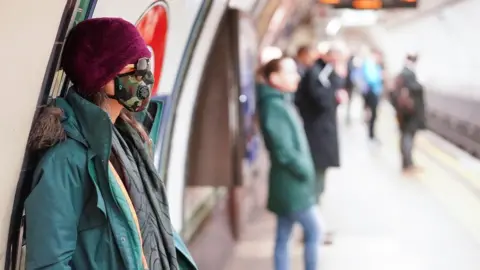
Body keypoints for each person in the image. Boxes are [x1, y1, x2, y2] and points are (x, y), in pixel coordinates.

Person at [24, 18, 196, 270]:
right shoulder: (66, 160)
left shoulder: (129, 141)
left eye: (146, 63)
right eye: (137, 66)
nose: (145, 75)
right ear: (102, 75)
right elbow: (48, 263)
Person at [257, 57, 320, 270]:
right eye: (291, 72)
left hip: (288, 181)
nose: (297, 76)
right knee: (314, 230)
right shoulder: (274, 106)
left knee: (283, 235)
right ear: (275, 78)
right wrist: (304, 170)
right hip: (292, 182)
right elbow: (283, 150)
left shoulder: (281, 101)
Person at [295, 42, 345, 245]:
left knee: (318, 186)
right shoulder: (317, 74)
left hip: (320, 138)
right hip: (318, 139)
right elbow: (323, 100)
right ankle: (312, 230)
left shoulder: (320, 73)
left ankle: (314, 228)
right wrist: (335, 95)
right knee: (315, 187)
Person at [391, 53, 426, 174]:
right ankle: (407, 165)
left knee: (404, 136)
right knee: (408, 136)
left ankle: (406, 163)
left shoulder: (401, 74)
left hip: (402, 112)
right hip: (409, 113)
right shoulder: (409, 75)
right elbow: (416, 90)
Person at [362, 49, 384, 141]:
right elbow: (371, 79)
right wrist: (380, 76)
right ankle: (371, 134)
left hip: (374, 91)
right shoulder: (369, 64)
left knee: (373, 114)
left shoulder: (375, 65)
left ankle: (372, 133)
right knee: (373, 114)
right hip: (371, 92)